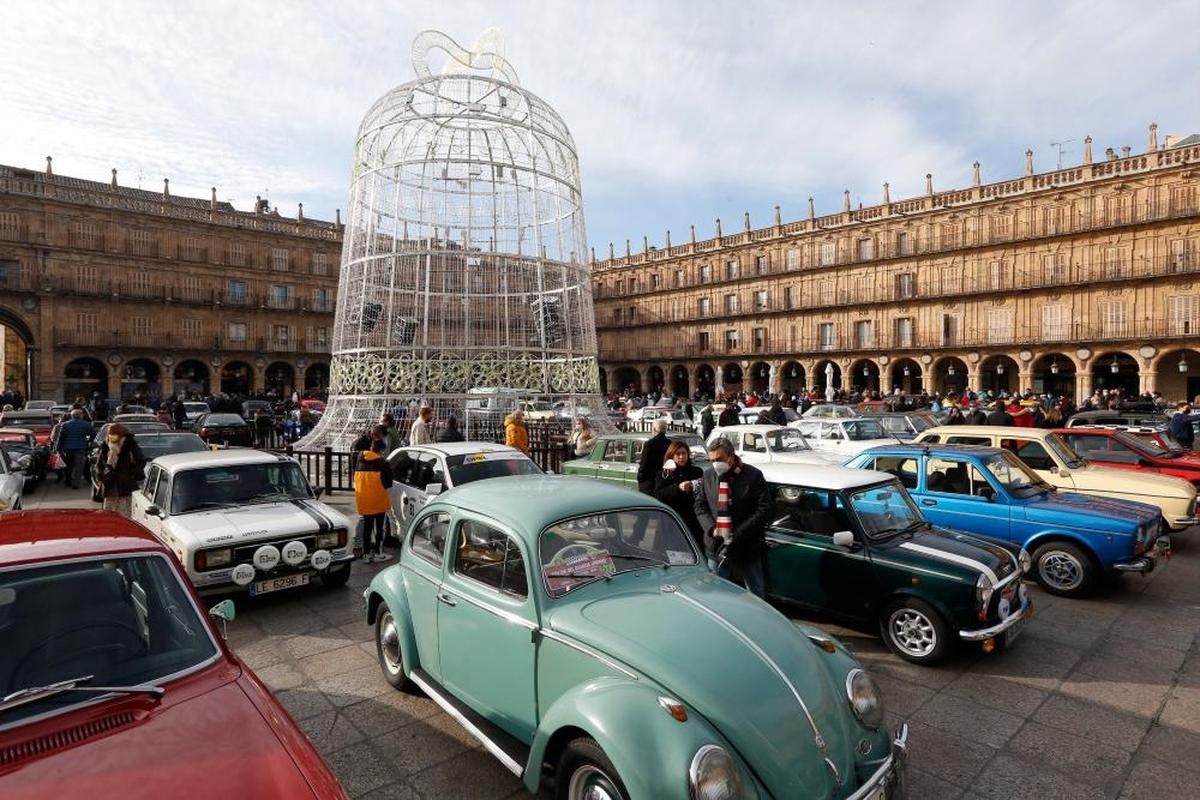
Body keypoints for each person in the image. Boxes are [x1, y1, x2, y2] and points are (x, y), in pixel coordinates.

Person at [693, 437, 772, 597]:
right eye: (712, 460)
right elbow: (700, 505)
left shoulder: (753, 476)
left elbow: (764, 509)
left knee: (755, 593)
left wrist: (737, 534)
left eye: (719, 459)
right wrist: (711, 528)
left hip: (747, 545)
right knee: (715, 593)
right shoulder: (708, 476)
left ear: (731, 456)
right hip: (717, 546)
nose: (715, 464)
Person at [653, 440, 705, 551]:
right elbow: (658, 495)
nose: (681, 457)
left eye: (684, 453)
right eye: (678, 454)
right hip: (671, 522)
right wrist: (677, 488)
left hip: (693, 522)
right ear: (671, 456)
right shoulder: (663, 474)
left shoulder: (696, 471)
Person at [354, 439, 394, 563]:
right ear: (381, 450)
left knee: (367, 528)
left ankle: (365, 555)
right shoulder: (383, 463)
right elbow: (388, 483)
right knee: (379, 528)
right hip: (379, 501)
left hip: (364, 500)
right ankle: (378, 552)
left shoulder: (360, 460)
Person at [93, 423, 146, 517]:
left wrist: (132, 473)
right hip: (110, 481)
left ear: (120, 432)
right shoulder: (106, 444)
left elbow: (141, 461)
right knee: (109, 510)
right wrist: (100, 475)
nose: (111, 435)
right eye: (110, 433)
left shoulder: (130, 444)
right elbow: (100, 463)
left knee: (124, 508)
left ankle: (123, 527)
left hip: (125, 480)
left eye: (113, 433)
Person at [58, 408, 94, 490]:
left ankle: (68, 480)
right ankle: (76, 483)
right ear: (81, 416)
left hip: (67, 448)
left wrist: (59, 448)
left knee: (68, 465)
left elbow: (61, 437)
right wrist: (89, 441)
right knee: (79, 466)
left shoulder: (65, 425)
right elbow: (93, 434)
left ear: (71, 416)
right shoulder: (86, 424)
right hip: (80, 447)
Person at [636, 418, 671, 495]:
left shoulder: (650, 444)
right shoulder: (669, 443)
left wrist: (640, 477)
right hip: (664, 478)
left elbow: (644, 462)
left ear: (654, 429)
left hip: (650, 480)